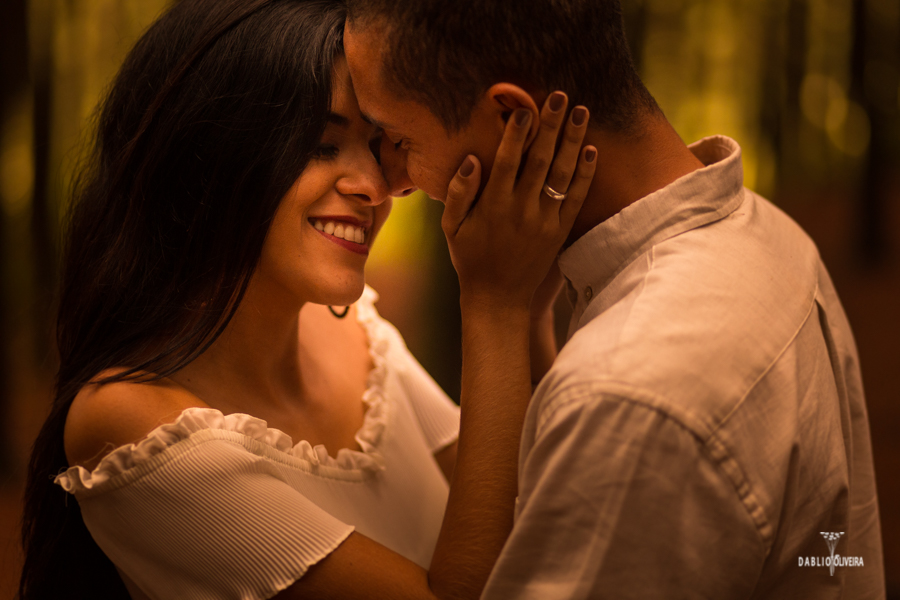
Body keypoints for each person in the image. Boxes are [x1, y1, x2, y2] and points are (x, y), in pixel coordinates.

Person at [17, 0, 598, 598]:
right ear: (208, 154)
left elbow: (531, 505)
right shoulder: (133, 427)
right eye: (322, 145)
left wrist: (527, 317)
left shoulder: (357, 336)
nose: (375, 188)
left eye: (379, 147)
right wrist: (494, 305)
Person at [342, 0, 887, 597]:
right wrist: (524, 320)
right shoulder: (770, 237)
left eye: (399, 138)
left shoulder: (629, 400)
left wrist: (495, 303)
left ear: (510, 118)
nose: (393, 181)